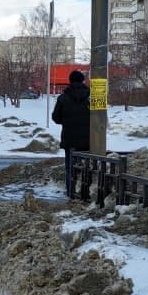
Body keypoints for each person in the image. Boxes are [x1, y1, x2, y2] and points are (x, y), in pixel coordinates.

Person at [51, 70, 91, 199]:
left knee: (70, 168)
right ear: (83, 81)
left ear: (70, 81)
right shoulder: (91, 97)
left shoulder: (63, 98)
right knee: (87, 167)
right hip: (88, 140)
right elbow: (98, 117)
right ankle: (86, 193)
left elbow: (56, 118)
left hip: (70, 140)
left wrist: (67, 120)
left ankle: (71, 193)